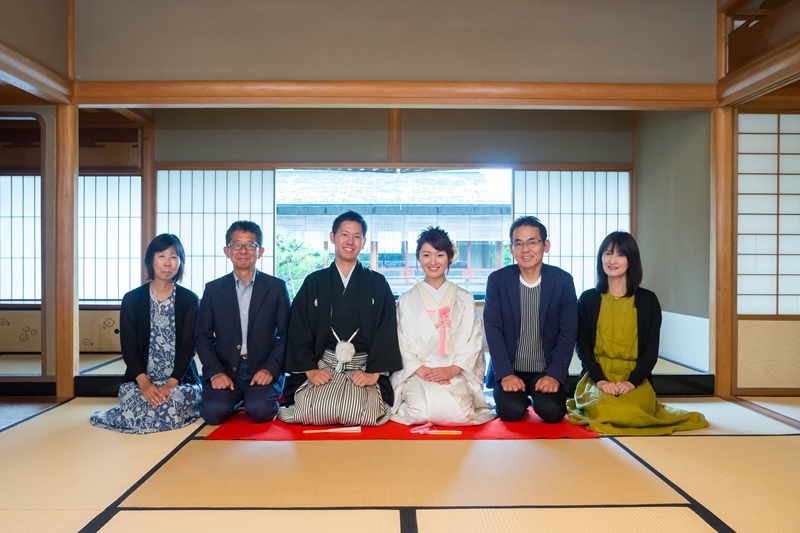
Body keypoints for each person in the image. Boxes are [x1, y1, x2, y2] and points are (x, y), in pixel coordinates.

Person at [567, 231, 708, 435]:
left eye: (620, 254)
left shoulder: (648, 300)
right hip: (596, 376)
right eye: (608, 253)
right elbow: (582, 346)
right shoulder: (588, 299)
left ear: (631, 260)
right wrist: (601, 380)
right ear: (601, 258)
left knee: (632, 412)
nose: (612, 260)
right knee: (603, 409)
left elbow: (651, 350)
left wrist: (632, 382)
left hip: (635, 378)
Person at [278, 210, 402, 426]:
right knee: (318, 409)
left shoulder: (377, 283)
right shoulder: (314, 282)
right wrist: (310, 370)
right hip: (324, 364)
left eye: (356, 236)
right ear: (332, 237)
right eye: (344, 234)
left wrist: (374, 373)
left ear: (363, 242)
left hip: (363, 367)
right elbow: (299, 328)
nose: (350, 241)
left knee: (358, 412)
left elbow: (386, 329)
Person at [90, 234, 201, 434]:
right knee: (134, 403)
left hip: (179, 381)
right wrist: (144, 384)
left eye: (174, 257)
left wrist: (171, 384)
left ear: (180, 262)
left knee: (173, 405)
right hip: (140, 380)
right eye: (161, 256)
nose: (168, 263)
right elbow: (129, 347)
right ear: (151, 260)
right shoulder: (132, 299)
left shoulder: (189, 300)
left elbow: (188, 347)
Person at [391, 227, 494, 426]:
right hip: (418, 374)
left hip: (454, 373)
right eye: (426, 255)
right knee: (418, 410)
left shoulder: (464, 298)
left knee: (461, 411)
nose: (433, 261)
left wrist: (451, 370)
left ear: (450, 257)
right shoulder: (406, 299)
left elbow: (474, 340)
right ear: (418, 257)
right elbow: (400, 341)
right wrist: (421, 370)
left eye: (439, 255)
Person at [483, 216, 577, 423]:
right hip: (511, 369)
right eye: (518, 243)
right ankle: (521, 400)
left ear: (546, 245)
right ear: (511, 248)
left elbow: (568, 332)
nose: (525, 249)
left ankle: (538, 398)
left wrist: (554, 374)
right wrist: (505, 373)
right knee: (510, 412)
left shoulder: (562, 281)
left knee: (552, 413)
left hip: (546, 369)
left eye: (532, 242)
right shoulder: (498, 281)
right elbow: (493, 330)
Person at [195, 220, 290, 425]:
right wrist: (216, 372)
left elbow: (287, 334)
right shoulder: (213, 289)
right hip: (226, 368)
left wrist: (270, 369)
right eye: (236, 245)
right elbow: (202, 336)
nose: (243, 250)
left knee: (260, 411)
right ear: (227, 251)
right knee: (212, 413)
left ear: (260, 251)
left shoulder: (276, 288)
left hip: (263, 367)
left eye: (250, 245)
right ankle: (237, 398)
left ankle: (251, 398)